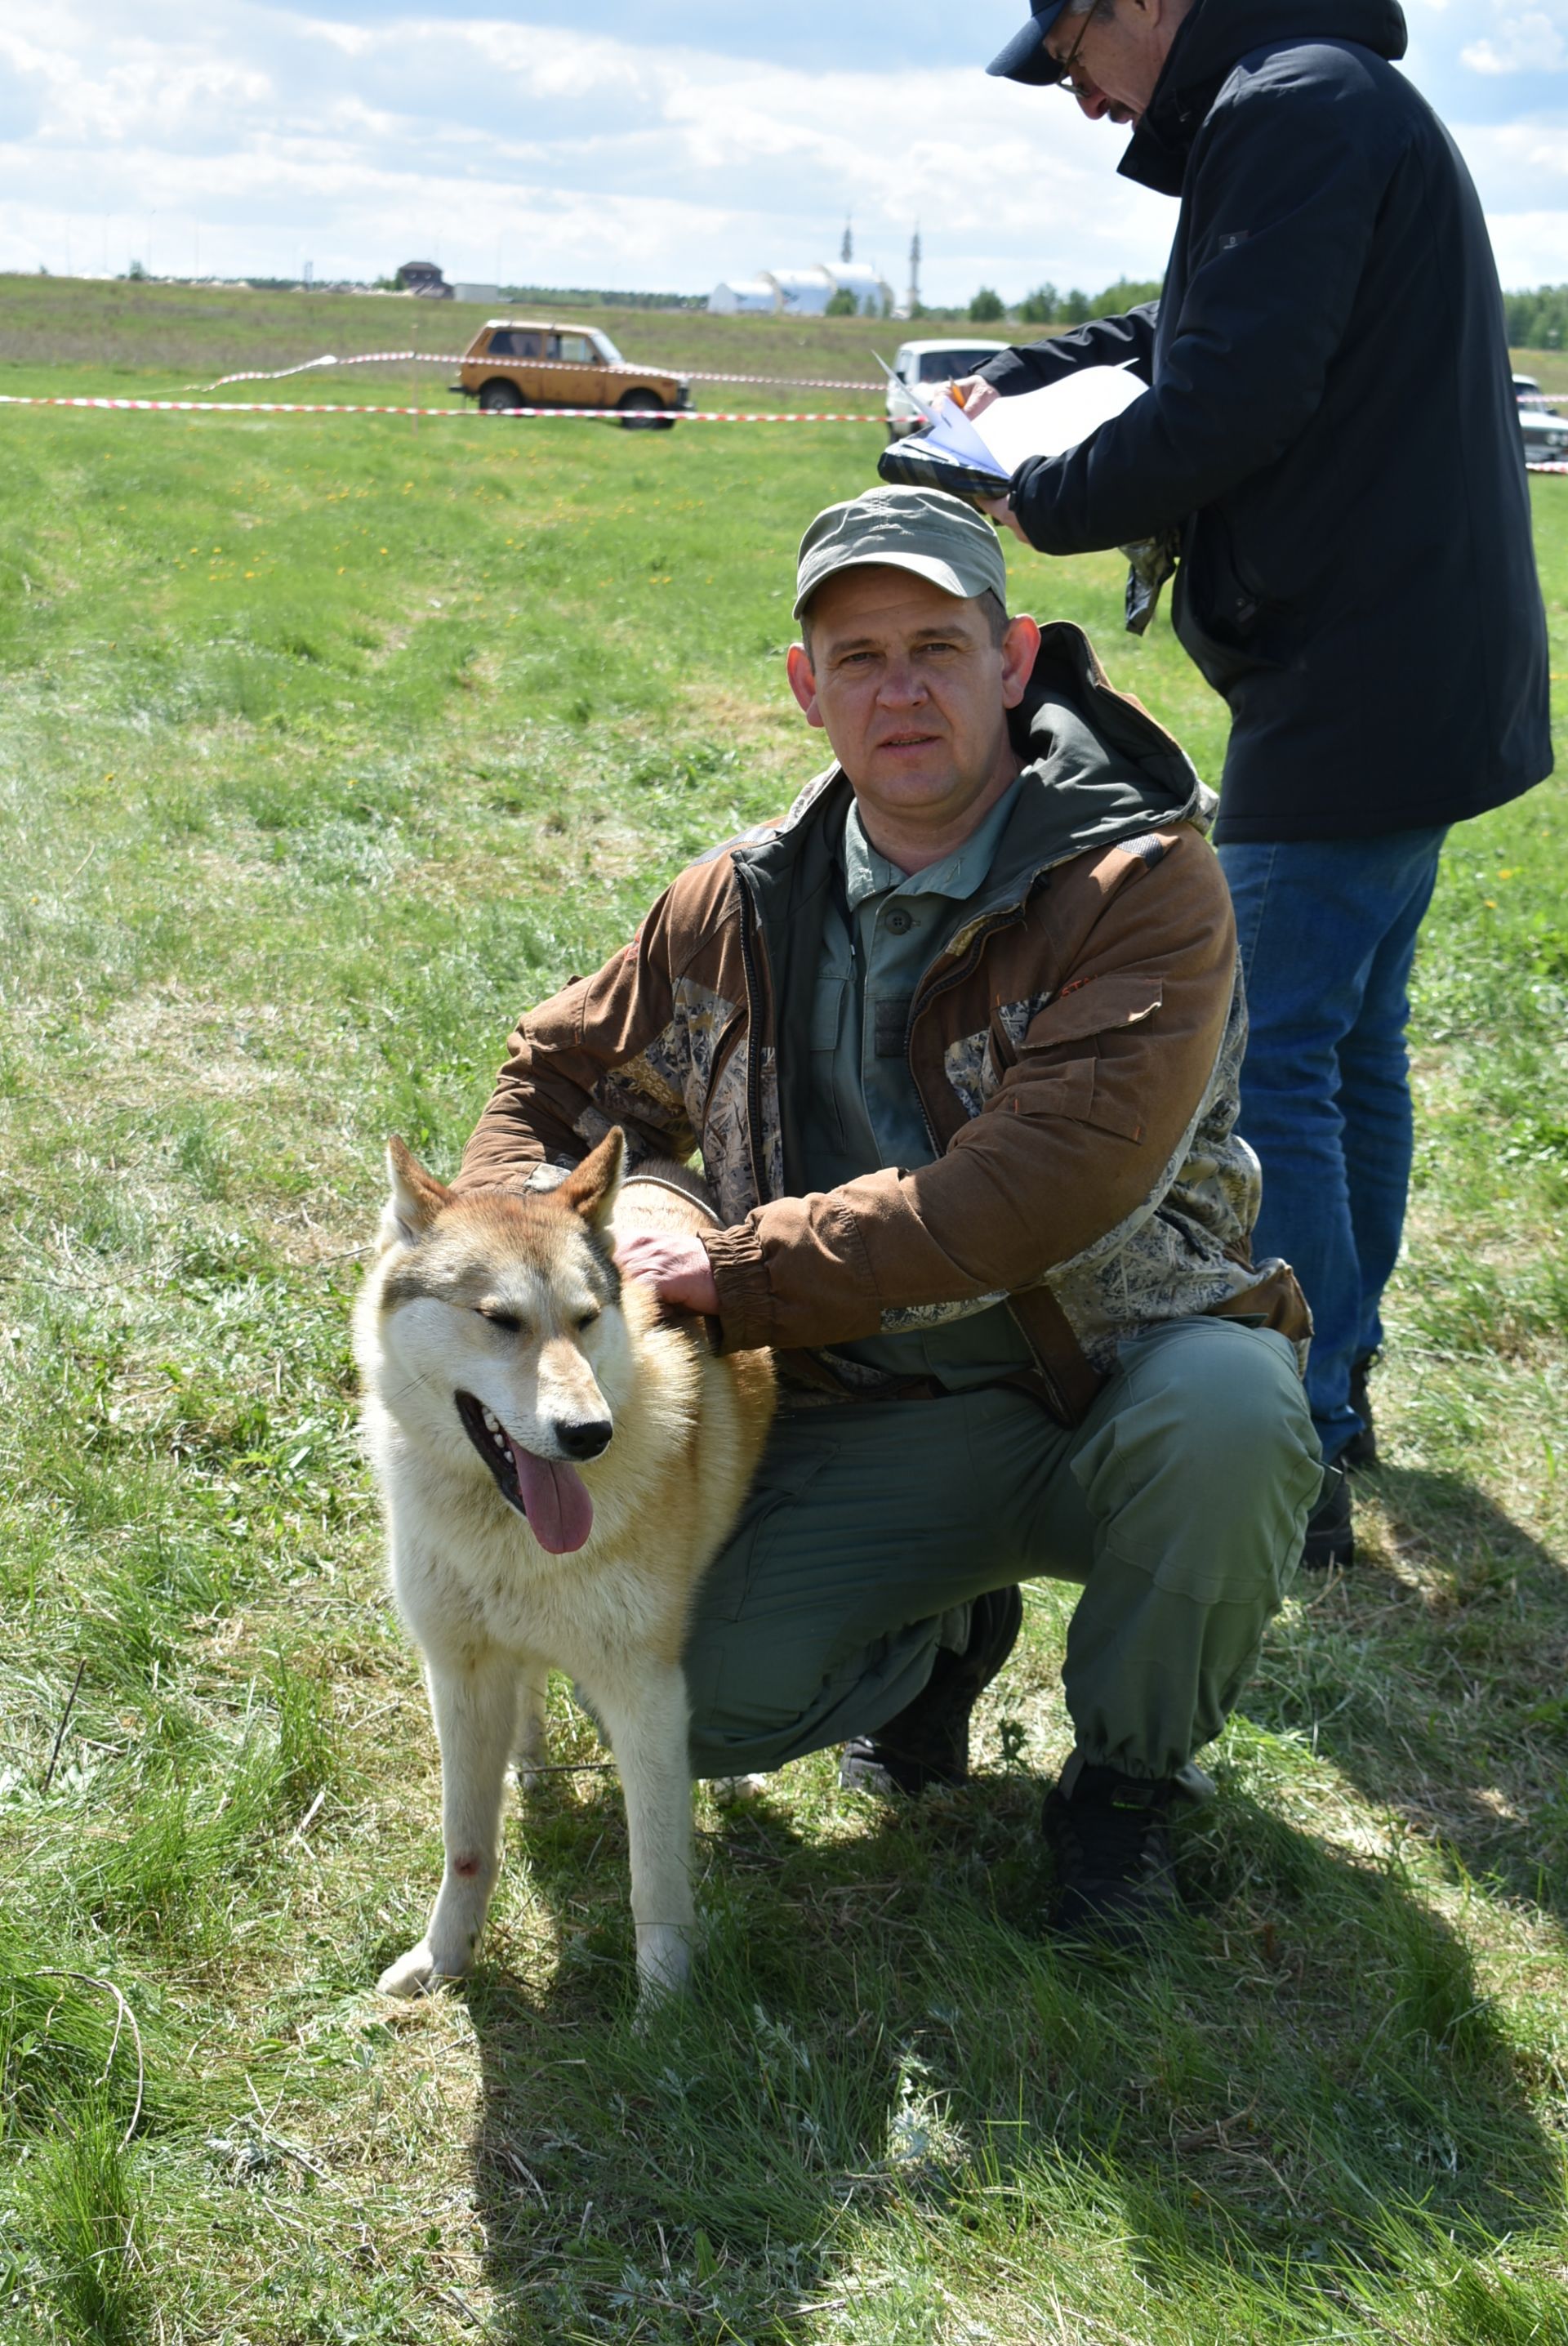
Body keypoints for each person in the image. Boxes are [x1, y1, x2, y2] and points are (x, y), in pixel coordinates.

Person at [452, 485, 1323, 1942]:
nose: (900, 687)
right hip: (868, 1401)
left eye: (936, 642)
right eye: (857, 656)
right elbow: (558, 1076)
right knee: (701, 1700)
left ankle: (1124, 1794)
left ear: (1016, 659)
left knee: (1234, 1428)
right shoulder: (739, 897)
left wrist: (731, 1264)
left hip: (1112, 1371)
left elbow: (1040, 1188)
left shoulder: (1142, 879)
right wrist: (516, 1238)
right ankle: (939, 1648)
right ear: (807, 690)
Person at [964, 0, 1552, 1565]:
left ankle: (1301, 1413)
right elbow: (1200, 335)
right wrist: (1031, 371)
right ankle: (1339, 1370)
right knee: (1350, 1047)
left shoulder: (1287, 109)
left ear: (1142, 3)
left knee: (1276, 1052)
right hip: (1410, 670)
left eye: (1075, 56)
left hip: (1354, 682)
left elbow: (1233, 397)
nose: (1081, 101)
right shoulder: (1319, 98)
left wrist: (1030, 494)